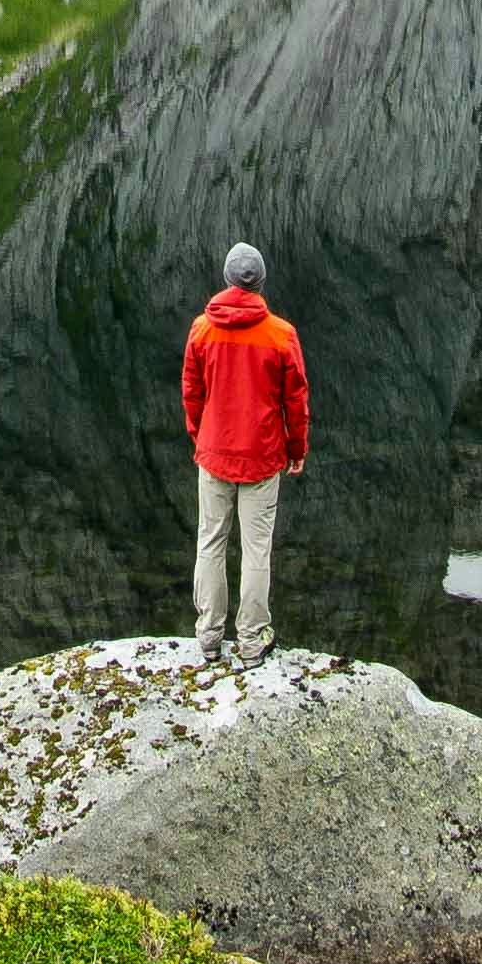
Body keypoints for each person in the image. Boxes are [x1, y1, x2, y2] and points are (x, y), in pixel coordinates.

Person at [181, 242, 306, 658]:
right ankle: (252, 640)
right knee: (256, 549)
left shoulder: (201, 329)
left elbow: (192, 392)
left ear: (227, 280)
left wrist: (201, 435)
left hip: (214, 453)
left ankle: (209, 637)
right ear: (260, 284)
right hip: (263, 456)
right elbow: (295, 401)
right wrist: (296, 448)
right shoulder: (281, 334)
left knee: (210, 543)